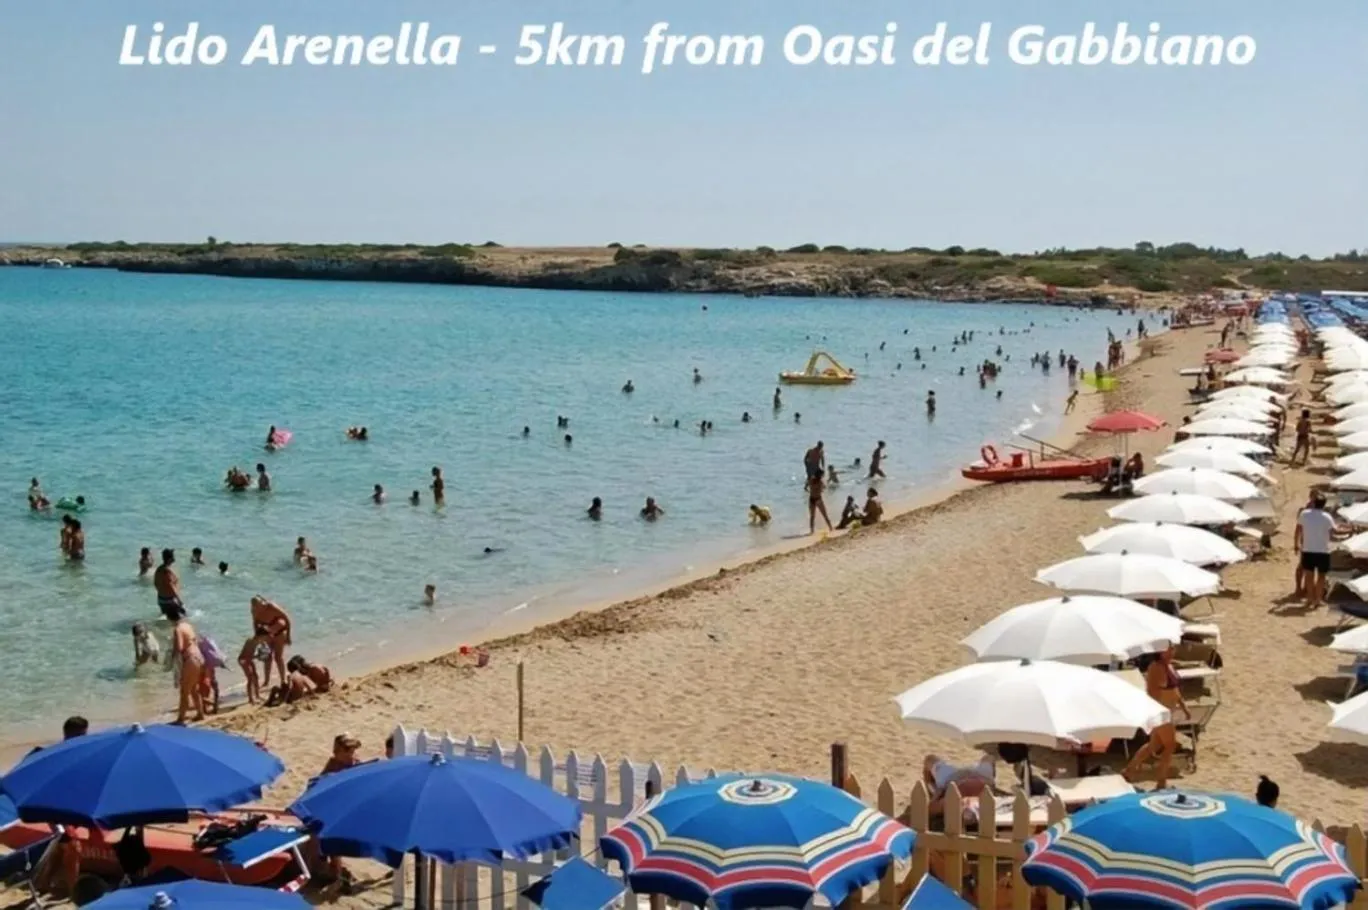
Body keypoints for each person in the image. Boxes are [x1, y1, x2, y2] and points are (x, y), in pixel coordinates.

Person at [1122, 646, 1188, 788]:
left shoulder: (1169, 666)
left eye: (1173, 649)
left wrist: (1183, 706)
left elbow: (1174, 690)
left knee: (1154, 745)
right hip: (1160, 712)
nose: (1172, 652)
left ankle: (1128, 771)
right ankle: (1161, 781)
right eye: (1168, 650)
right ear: (1160, 651)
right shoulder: (1155, 668)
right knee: (1170, 745)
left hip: (1169, 711)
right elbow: (1151, 693)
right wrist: (1156, 713)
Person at [1296, 493, 1344, 608]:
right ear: (1324, 505)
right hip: (1322, 551)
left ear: (1313, 502)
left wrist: (1296, 543)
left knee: (1309, 576)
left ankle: (1310, 598)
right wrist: (1348, 531)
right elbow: (1335, 531)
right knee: (1321, 577)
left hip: (1308, 549)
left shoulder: (1304, 514)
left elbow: (1298, 529)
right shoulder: (1327, 517)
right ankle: (1317, 599)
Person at [169, 606, 206, 725]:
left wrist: (171, 658)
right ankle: (200, 714)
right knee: (194, 689)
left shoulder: (177, 629)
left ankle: (181, 719)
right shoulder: (187, 625)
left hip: (190, 659)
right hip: (198, 656)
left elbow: (179, 648)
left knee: (184, 691)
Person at [250, 596, 292, 684]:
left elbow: (287, 618)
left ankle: (283, 680)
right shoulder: (254, 611)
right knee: (267, 658)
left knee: (278, 657)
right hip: (266, 634)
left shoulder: (271, 606)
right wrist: (258, 637)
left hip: (279, 632)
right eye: (258, 605)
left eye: (262, 603)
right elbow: (255, 624)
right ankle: (266, 681)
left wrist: (288, 636)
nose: (262, 605)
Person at [238, 627, 268, 704]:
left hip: (249, 659)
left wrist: (264, 650)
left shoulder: (258, 641)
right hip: (243, 660)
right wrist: (257, 656)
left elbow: (264, 648)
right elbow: (246, 655)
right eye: (264, 637)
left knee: (256, 677)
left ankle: (257, 695)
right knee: (250, 678)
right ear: (260, 636)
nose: (265, 639)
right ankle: (250, 699)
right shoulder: (250, 641)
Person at [153, 549, 183, 620]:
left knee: (167, 619)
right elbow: (171, 586)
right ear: (169, 559)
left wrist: (162, 592)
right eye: (173, 557)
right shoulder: (167, 571)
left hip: (161, 599)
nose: (174, 558)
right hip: (170, 600)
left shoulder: (159, 569)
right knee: (179, 620)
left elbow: (155, 583)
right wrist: (179, 600)